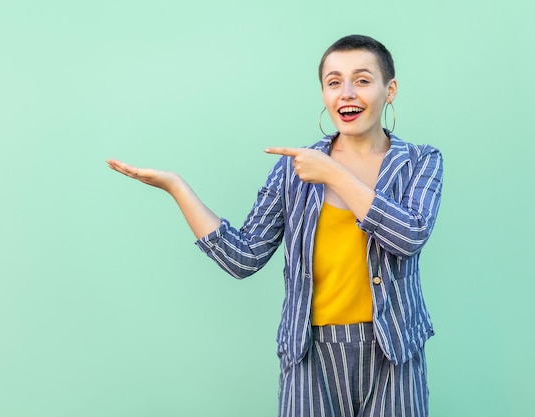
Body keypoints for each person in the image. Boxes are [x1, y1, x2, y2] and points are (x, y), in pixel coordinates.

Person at [107, 34, 443, 417]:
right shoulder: (292, 170)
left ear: (390, 90)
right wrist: (176, 187)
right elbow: (243, 258)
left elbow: (409, 236)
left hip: (394, 349)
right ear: (323, 94)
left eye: (362, 80)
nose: (346, 93)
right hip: (309, 351)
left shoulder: (419, 161)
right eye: (334, 83)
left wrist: (333, 173)